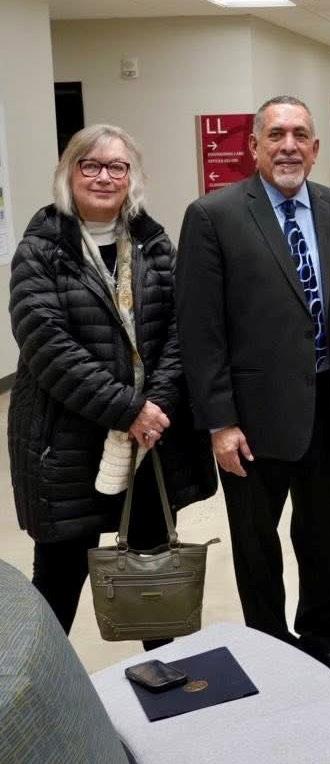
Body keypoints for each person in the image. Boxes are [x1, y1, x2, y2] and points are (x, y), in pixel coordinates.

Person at [176, 95, 330, 684]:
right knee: (257, 546)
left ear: (315, 147)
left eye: (300, 135)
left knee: (328, 539)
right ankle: (270, 654)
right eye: (277, 135)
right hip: (251, 419)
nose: (289, 146)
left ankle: (324, 645)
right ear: (254, 146)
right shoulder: (213, 215)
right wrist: (220, 422)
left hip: (328, 408)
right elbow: (201, 330)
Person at [9, 125, 216, 646]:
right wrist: (129, 409)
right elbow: (48, 347)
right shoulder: (40, 250)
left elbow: (180, 331)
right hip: (67, 443)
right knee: (57, 580)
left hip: (148, 441)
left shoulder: (154, 244)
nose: (104, 177)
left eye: (117, 167)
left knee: (152, 576)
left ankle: (161, 677)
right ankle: (37, 682)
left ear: (132, 177)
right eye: (91, 165)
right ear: (69, 173)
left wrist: (157, 405)